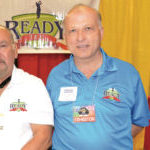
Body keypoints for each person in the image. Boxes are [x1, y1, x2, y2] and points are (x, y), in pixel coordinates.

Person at [46, 4, 150, 150]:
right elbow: (45, 125)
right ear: (65, 37)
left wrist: (111, 141)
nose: (80, 37)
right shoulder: (55, 76)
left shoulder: (128, 74)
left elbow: (139, 121)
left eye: (88, 28)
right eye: (73, 30)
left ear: (101, 33)